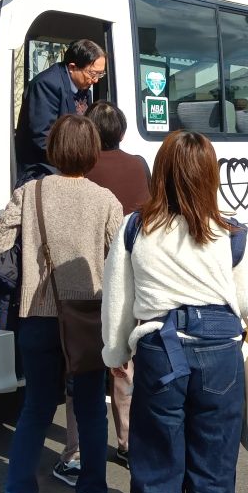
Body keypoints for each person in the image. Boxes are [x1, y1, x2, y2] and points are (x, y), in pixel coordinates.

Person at [101, 130, 248, 493]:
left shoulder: (135, 228)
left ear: (161, 172)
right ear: (210, 175)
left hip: (160, 354)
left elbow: (117, 306)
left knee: (156, 469)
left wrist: (114, 356)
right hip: (220, 357)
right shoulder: (228, 231)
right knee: (212, 471)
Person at [0, 115, 123, 493]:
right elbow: (119, 260)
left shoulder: (28, 193)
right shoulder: (105, 200)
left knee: (36, 408)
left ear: (53, 149)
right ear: (92, 152)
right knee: (88, 410)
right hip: (87, 319)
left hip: (37, 315)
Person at [84, 100, 150, 469]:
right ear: (123, 132)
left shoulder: (81, 171)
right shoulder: (139, 165)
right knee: (127, 364)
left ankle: (83, 444)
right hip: (135, 275)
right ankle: (127, 441)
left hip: (93, 276)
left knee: (94, 364)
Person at [15, 39, 107, 186]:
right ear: (72, 67)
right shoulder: (47, 85)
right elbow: (42, 137)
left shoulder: (83, 87)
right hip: (44, 170)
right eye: (92, 73)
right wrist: (75, 162)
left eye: (100, 74)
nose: (95, 80)